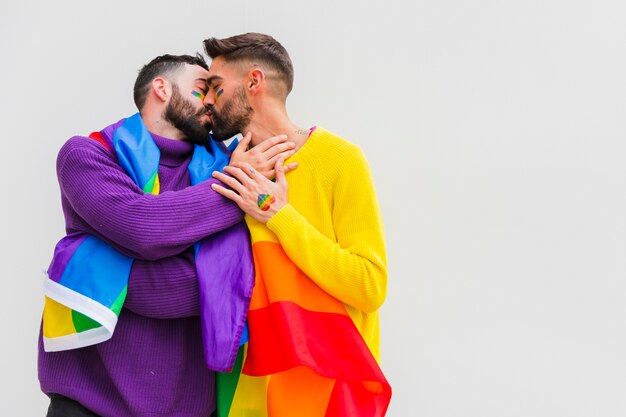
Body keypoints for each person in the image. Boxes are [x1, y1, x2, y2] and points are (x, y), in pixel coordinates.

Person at [39, 53, 296, 417]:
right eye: (200, 89)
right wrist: (233, 191)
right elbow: (141, 227)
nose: (211, 102)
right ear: (162, 88)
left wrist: (120, 265)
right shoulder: (88, 156)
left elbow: (237, 280)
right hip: (88, 403)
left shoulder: (235, 165)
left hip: (192, 407)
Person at [203, 33, 392, 416]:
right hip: (244, 393)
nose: (207, 101)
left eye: (217, 88)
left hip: (325, 392)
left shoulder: (339, 159)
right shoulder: (223, 173)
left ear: (254, 82)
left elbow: (369, 285)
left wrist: (279, 215)